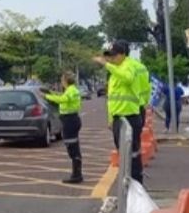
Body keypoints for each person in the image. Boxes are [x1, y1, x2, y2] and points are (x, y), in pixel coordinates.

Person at [95, 40, 147, 184]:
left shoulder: (129, 66)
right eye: (110, 56)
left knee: (132, 153)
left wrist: (107, 65)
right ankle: (128, 183)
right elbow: (112, 99)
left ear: (123, 54)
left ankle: (136, 184)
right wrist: (111, 118)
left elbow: (128, 78)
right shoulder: (116, 71)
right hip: (119, 117)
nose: (111, 58)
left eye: (114, 55)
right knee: (124, 153)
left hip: (129, 116)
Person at [42, 72, 83, 184]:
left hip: (70, 121)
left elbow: (62, 99)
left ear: (66, 81)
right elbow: (62, 96)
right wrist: (51, 93)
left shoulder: (70, 91)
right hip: (71, 120)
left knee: (72, 148)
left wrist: (46, 96)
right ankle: (77, 174)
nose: (61, 82)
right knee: (74, 147)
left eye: (62, 80)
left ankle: (76, 175)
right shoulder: (72, 90)